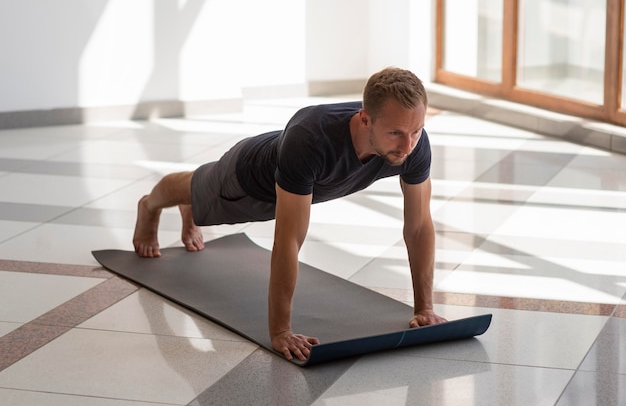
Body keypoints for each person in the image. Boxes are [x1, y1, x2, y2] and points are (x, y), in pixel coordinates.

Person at [132, 67, 447, 361]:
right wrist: (280, 331)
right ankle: (149, 206)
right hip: (249, 179)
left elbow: (418, 226)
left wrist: (425, 308)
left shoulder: (413, 141)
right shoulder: (312, 138)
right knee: (194, 186)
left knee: (198, 198)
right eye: (395, 133)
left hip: (300, 183)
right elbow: (289, 240)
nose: (408, 145)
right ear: (365, 120)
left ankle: (192, 206)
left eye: (416, 131)